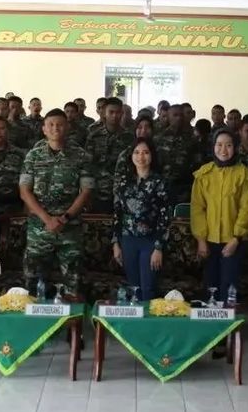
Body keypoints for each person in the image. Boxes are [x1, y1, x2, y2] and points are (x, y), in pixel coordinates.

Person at [19, 109, 94, 296]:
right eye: (51, 125)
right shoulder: (33, 156)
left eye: (60, 124)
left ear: (67, 127)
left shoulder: (82, 156)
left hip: (70, 229)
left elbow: (86, 191)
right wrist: (47, 219)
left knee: (74, 284)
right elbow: (24, 192)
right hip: (39, 229)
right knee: (34, 285)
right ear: (44, 129)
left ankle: (72, 325)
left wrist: (65, 218)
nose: (55, 128)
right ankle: (39, 325)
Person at [190, 129, 248, 308]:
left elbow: (247, 209)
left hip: (233, 242)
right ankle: (212, 332)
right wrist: (201, 240)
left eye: (228, 145)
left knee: (229, 288)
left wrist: (236, 238)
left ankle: (228, 331)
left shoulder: (244, 175)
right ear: (213, 147)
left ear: (235, 147)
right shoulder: (203, 174)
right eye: (219, 145)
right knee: (210, 287)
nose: (224, 150)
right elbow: (197, 209)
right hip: (208, 241)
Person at [112, 138, 170, 302]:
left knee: (148, 287)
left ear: (152, 155)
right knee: (133, 287)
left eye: (145, 152)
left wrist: (159, 247)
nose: (141, 156)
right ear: (131, 156)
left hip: (150, 241)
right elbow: (117, 213)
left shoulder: (159, 182)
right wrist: (116, 243)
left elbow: (164, 217)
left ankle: (149, 327)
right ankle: (134, 325)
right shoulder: (124, 181)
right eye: (136, 152)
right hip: (128, 240)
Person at [85, 98, 135, 214]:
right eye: (111, 112)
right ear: (104, 113)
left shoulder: (129, 138)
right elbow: (88, 165)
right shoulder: (94, 136)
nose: (114, 116)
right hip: (98, 192)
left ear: (122, 113)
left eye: (118, 112)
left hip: (122, 191)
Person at [156, 104, 200, 204]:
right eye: (175, 115)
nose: (179, 118)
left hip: (185, 187)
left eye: (181, 115)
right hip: (163, 186)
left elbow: (198, 164)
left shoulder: (192, 139)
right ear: (168, 116)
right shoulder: (159, 138)